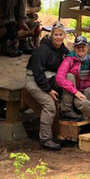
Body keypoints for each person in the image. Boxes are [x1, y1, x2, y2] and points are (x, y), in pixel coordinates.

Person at [25, 21, 69, 151]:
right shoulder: (42, 50)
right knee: (49, 105)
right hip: (34, 79)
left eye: (61, 34)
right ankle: (45, 139)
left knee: (69, 82)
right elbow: (38, 74)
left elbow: (71, 59)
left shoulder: (62, 50)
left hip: (49, 78)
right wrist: (49, 90)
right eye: (56, 34)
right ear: (51, 35)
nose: (58, 37)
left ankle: (69, 113)